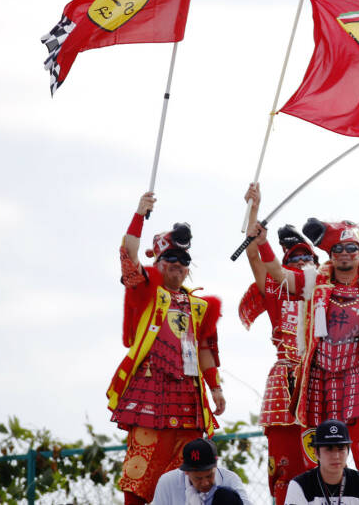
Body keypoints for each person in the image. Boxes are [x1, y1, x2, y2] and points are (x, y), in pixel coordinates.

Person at [262, 218, 359, 504]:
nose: (344, 253)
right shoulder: (313, 283)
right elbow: (277, 273)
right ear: (329, 254)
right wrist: (261, 241)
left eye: (351, 247)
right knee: (320, 456)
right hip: (320, 378)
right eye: (337, 248)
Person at [107, 192, 225, 505]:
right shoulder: (146, 290)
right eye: (170, 258)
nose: (177, 264)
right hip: (150, 391)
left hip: (188, 398)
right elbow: (129, 255)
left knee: (187, 477)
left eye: (184, 260)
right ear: (158, 263)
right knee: (140, 470)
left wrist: (215, 389)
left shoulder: (199, 306)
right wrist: (139, 215)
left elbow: (205, 350)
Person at [239, 183, 319, 505]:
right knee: (283, 468)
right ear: (285, 264)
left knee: (321, 461)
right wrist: (254, 209)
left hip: (317, 378)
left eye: (307, 256)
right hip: (284, 382)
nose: (302, 262)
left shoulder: (325, 290)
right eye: (295, 257)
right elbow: (253, 252)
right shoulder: (275, 289)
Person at [285, 419, 359, 505]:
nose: (336, 456)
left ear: (348, 451)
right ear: (316, 453)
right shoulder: (299, 485)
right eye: (329, 449)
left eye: (341, 449)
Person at [151, 437, 253, 505]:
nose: (205, 483)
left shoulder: (230, 480)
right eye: (198, 478)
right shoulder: (168, 482)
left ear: (216, 466)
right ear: (186, 472)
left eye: (209, 476)